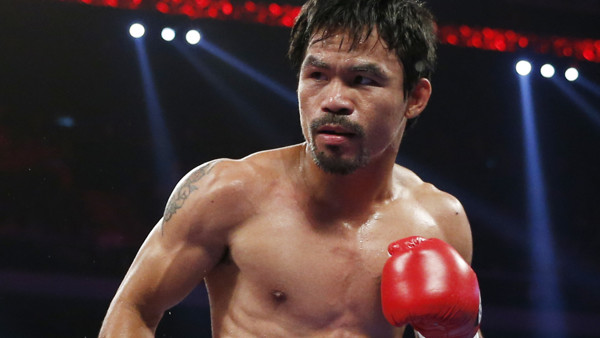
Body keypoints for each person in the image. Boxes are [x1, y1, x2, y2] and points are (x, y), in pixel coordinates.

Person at [100, 0, 483, 337]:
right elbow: (133, 310)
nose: (333, 100)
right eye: (317, 75)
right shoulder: (227, 191)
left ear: (415, 97)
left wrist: (458, 335)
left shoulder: (440, 221)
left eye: (362, 80)